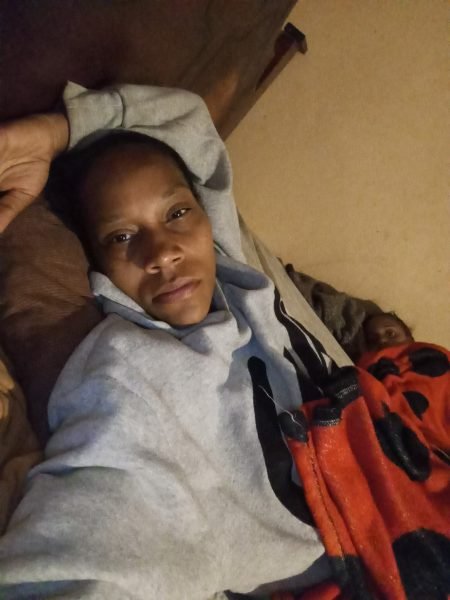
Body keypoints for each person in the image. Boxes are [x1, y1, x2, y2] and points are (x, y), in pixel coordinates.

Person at [0, 83, 448, 599]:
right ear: (97, 264)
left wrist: (56, 131)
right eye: (122, 237)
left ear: (205, 214)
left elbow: (187, 118)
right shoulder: (125, 371)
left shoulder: (234, 269)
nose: (162, 252)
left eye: (176, 214)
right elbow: (94, 528)